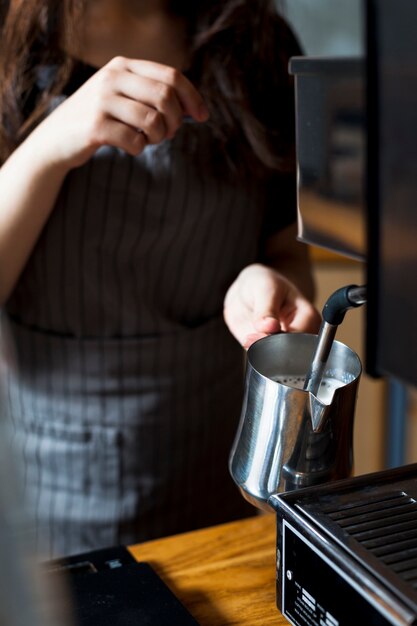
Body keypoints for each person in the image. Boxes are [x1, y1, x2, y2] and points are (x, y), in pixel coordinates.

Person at [0, 0, 321, 558]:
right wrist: (50, 147)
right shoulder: (9, 46)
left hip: (221, 470)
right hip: (47, 495)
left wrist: (266, 279)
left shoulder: (256, 40)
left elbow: (285, 248)